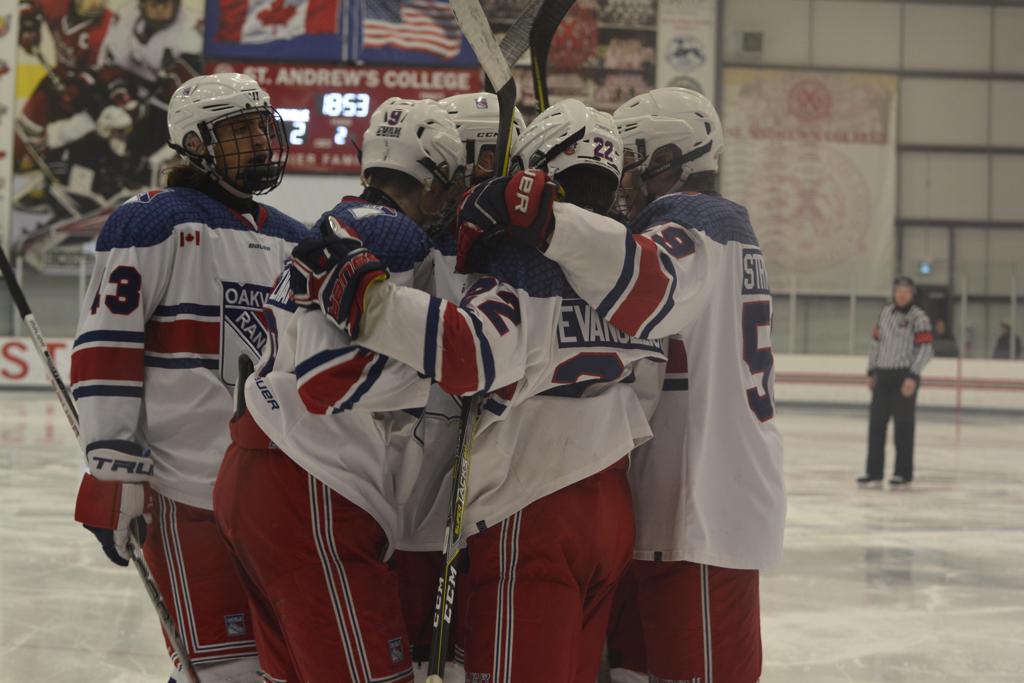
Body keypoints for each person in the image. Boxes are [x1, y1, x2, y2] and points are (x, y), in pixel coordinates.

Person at [301, 98, 663, 682]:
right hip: (611, 505)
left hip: (528, 504)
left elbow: (472, 358)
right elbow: (647, 385)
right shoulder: (634, 268)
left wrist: (368, 302)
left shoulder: (518, 264)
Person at [468, 87, 786, 683]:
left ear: (669, 158)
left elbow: (647, 289)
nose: (623, 179)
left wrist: (543, 214)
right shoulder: (706, 227)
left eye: (633, 160)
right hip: (671, 507)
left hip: (703, 510)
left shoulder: (695, 221)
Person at [212, 97, 467, 682]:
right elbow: (329, 379)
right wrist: (458, 364)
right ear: (431, 181)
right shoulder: (394, 235)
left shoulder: (339, 220)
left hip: (262, 472)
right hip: (310, 486)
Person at [69, 72, 309, 682]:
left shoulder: (293, 238)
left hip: (276, 495)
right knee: (225, 672)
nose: (259, 140)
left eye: (262, 126)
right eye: (239, 129)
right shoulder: (151, 223)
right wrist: (113, 471)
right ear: (197, 143)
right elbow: (105, 347)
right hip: (186, 490)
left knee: (281, 668)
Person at [860, 275, 933, 487]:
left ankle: (903, 473)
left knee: (903, 426)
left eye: (906, 291)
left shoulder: (919, 317)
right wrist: (871, 370)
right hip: (882, 375)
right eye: (898, 291)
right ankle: (873, 473)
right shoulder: (885, 313)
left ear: (912, 294)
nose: (901, 295)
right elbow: (876, 343)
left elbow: (926, 349)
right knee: (876, 425)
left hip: (904, 376)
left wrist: (913, 375)